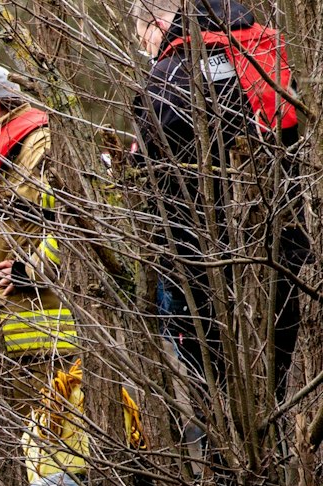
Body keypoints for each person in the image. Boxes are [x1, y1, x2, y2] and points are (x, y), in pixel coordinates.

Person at [130, 0, 306, 400]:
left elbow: (155, 178)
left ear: (158, 24)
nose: (148, 49)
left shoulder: (168, 77)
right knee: (286, 380)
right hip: (286, 246)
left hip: (210, 266)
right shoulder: (261, 51)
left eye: (144, 39)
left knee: (218, 392)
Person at [0, 62, 89, 486]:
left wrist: (27, 270)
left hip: (51, 336)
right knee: (38, 456)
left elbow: (73, 227)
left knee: (60, 452)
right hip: (22, 338)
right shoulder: (4, 149)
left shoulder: (40, 146)